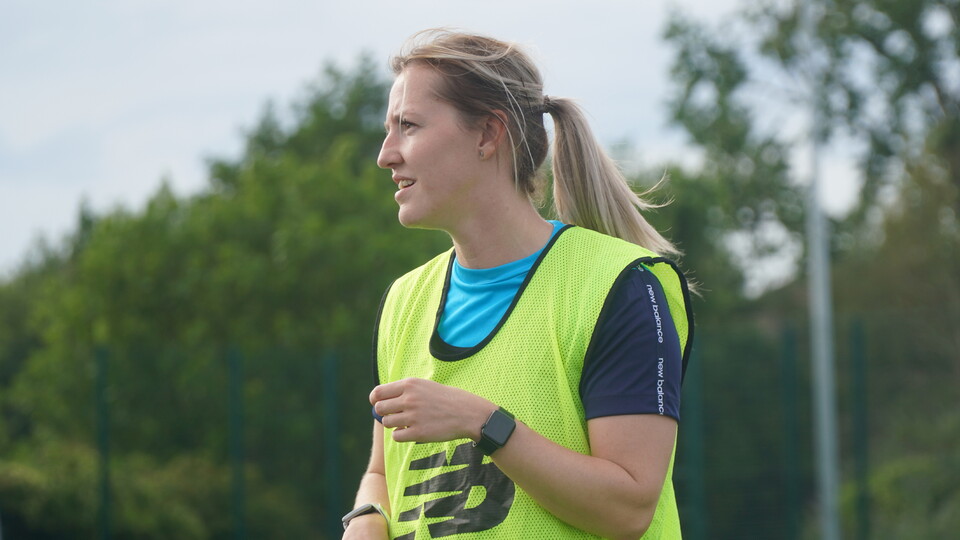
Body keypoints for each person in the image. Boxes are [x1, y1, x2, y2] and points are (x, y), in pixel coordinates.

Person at [342, 29, 694, 540]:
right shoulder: (404, 300)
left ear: (487, 135)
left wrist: (485, 423)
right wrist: (367, 519)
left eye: (409, 126)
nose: (386, 154)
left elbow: (628, 508)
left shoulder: (620, 286)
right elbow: (382, 473)